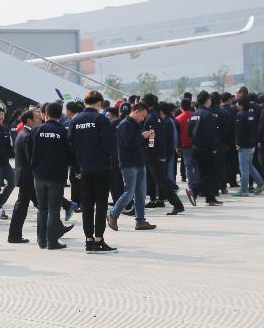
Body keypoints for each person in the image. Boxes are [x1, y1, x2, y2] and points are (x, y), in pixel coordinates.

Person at [68, 91, 117, 254]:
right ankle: (99, 239)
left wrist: (76, 168)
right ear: (100, 103)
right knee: (101, 203)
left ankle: (88, 240)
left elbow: (70, 147)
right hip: (100, 168)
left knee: (87, 205)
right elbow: (109, 145)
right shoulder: (100, 119)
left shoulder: (75, 120)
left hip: (83, 170)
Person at [108, 102, 157, 231]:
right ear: (135, 111)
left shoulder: (136, 125)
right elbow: (129, 143)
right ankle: (113, 215)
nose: (143, 118)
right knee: (129, 193)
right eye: (142, 115)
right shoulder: (124, 125)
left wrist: (147, 139)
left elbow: (139, 144)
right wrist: (142, 136)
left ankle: (140, 220)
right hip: (129, 164)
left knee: (140, 194)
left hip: (140, 162)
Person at [30, 102, 72, 250]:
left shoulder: (36, 130)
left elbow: (29, 151)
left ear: (45, 114)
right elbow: (70, 153)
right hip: (56, 175)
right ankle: (52, 241)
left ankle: (41, 241)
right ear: (60, 115)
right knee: (54, 209)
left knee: (42, 209)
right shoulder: (62, 132)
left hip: (39, 175)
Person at [142, 95, 185, 215]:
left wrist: (148, 147)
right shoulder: (156, 116)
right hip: (158, 153)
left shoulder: (151, 117)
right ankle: (176, 202)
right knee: (161, 180)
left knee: (161, 181)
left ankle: (177, 204)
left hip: (153, 155)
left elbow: (152, 137)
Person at [7, 110, 38, 243]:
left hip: (25, 175)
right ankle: (14, 235)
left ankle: (57, 227)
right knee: (22, 206)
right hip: (27, 176)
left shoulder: (23, 133)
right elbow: (32, 157)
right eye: (36, 118)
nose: (39, 119)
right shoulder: (27, 135)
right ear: (29, 120)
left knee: (40, 203)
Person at [186, 91, 221, 206]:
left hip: (196, 148)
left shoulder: (194, 114)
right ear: (207, 100)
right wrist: (214, 147)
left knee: (204, 174)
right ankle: (193, 190)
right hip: (206, 148)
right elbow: (210, 134)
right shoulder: (208, 114)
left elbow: (189, 132)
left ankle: (210, 198)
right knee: (211, 174)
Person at [233, 96, 264, 196]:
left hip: (244, 145)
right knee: (249, 166)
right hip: (252, 144)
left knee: (243, 168)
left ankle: (244, 190)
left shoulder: (240, 115)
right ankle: (261, 183)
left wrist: (237, 143)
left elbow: (239, 132)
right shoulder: (250, 114)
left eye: (238, 103)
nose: (236, 105)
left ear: (241, 105)